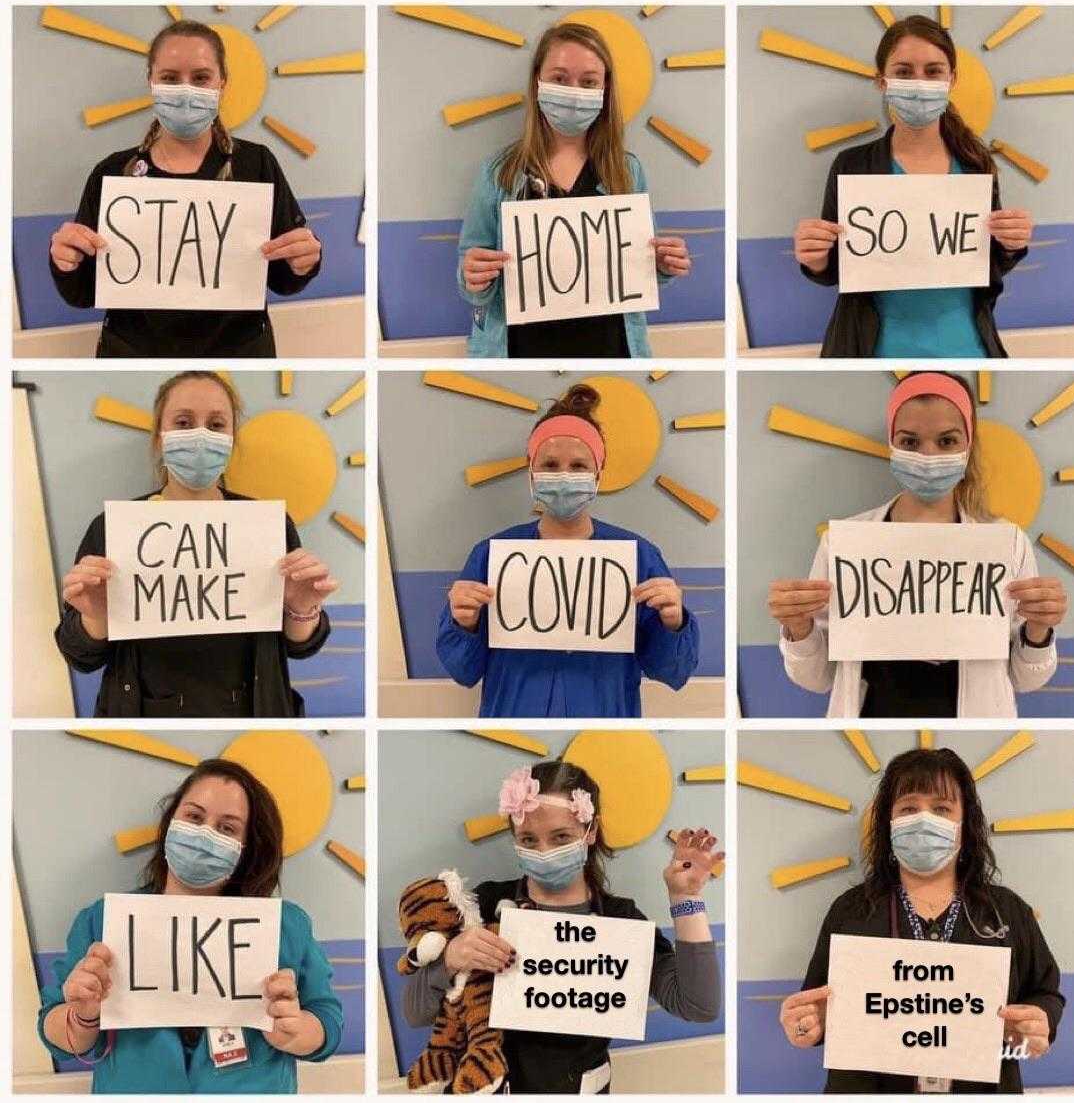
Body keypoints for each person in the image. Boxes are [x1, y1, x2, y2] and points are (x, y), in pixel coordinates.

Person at [403, 761, 723, 1093]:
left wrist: (685, 898)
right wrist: (450, 959)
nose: (544, 852)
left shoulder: (620, 922)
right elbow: (415, 1013)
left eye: (561, 837)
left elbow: (699, 1006)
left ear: (591, 831)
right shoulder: (482, 907)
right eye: (528, 839)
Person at [767, 372, 1065, 718]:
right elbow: (817, 678)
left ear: (968, 445)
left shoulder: (1006, 543)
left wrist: (1039, 628)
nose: (928, 456)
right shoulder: (845, 543)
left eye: (947, 441)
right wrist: (798, 627)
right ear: (893, 444)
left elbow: (1025, 679)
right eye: (909, 442)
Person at [39, 758, 344, 1092]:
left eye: (227, 828)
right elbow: (55, 1031)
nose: (204, 834)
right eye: (194, 817)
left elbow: (327, 1020)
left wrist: (298, 1031)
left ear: (246, 847)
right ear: (171, 822)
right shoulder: (104, 920)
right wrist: (83, 1015)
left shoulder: (286, 926)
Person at [55, 371, 339, 717]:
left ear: (232, 439)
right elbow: (79, 655)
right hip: (143, 713)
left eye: (217, 424)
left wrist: (302, 608)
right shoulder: (113, 528)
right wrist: (96, 617)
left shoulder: (268, 525)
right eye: (184, 422)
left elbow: (301, 646)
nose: (200, 435)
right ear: (160, 437)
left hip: (252, 712)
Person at [780, 747, 1064, 1092]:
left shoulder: (1005, 910)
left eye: (942, 809)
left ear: (964, 823)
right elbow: (815, 1006)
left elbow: (1045, 992)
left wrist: (1040, 1021)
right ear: (889, 821)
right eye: (909, 808)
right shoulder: (851, 911)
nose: (924, 819)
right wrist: (807, 1024)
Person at [48, 19, 322, 357]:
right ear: (151, 81)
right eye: (170, 78)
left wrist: (304, 261)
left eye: (201, 77)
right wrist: (65, 262)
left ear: (223, 83)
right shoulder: (113, 174)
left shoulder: (257, 164)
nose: (186, 89)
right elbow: (83, 293)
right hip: (134, 353)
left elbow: (283, 279)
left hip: (240, 352)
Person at [438, 383, 699, 717]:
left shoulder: (638, 557)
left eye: (578, 467)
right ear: (531, 471)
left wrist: (674, 623)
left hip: (606, 717)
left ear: (598, 475)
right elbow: (463, 671)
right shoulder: (491, 555)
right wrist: (465, 623)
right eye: (549, 465)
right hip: (514, 714)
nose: (563, 476)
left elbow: (672, 671)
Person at [792, 14, 1031, 358]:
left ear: (952, 80)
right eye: (904, 72)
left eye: (933, 71)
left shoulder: (976, 165)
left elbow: (986, 263)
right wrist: (815, 258)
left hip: (968, 347)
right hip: (871, 351)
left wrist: (1011, 244)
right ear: (882, 81)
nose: (919, 83)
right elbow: (835, 271)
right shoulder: (852, 165)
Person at [457, 21, 690, 358]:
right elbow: (469, 268)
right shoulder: (500, 173)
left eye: (589, 82)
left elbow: (640, 266)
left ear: (605, 89)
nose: (574, 91)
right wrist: (473, 275)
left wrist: (663, 265)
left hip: (611, 349)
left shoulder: (626, 172)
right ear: (538, 80)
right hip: (522, 351)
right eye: (560, 78)